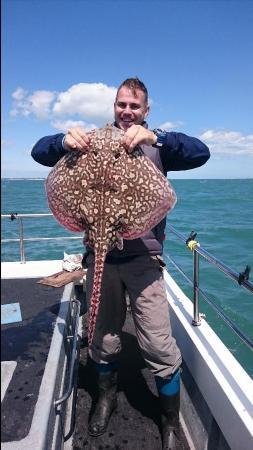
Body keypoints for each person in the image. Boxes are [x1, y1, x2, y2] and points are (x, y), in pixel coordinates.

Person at [31, 78, 210, 449]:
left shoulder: (156, 143)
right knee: (102, 335)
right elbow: (40, 151)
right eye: (121, 105)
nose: (126, 111)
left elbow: (200, 152)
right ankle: (105, 398)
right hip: (102, 255)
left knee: (159, 345)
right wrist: (64, 141)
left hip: (145, 259)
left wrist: (154, 138)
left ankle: (170, 420)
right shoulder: (91, 140)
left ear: (146, 111)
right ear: (114, 106)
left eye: (134, 106)